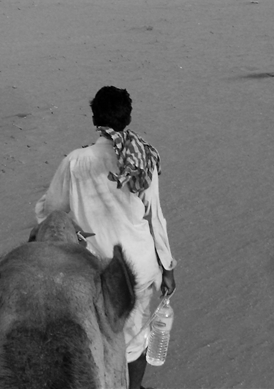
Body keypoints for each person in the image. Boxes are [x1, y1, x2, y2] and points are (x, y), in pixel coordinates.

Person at [35, 86, 176, 389]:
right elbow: (156, 217)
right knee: (134, 342)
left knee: (96, 342)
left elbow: (50, 211)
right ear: (128, 117)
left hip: (93, 274)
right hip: (139, 269)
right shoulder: (143, 159)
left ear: (94, 118)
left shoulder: (75, 161)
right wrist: (168, 268)